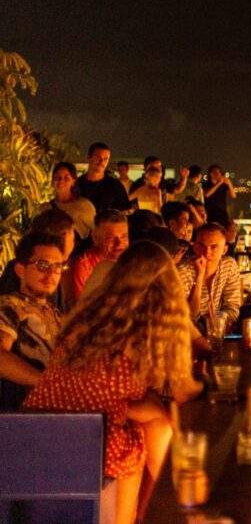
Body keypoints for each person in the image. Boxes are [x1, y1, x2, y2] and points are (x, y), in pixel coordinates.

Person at [23, 241, 202, 524]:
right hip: (92, 441)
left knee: (148, 417)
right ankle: (178, 509)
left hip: (34, 434)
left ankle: (173, 509)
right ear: (168, 282)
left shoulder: (89, 315)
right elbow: (183, 392)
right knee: (146, 429)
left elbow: (97, 389)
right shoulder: (154, 322)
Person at [0, 233, 67, 411]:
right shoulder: (10, 306)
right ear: (20, 269)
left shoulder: (57, 314)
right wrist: (48, 383)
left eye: (58, 266)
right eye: (42, 265)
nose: (51, 273)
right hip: (28, 415)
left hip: (64, 410)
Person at [178, 222, 242, 327]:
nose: (207, 252)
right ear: (195, 247)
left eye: (214, 247)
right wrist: (199, 276)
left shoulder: (228, 266)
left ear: (224, 250)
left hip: (220, 327)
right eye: (202, 246)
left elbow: (233, 308)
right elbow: (189, 317)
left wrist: (216, 322)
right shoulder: (183, 271)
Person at [63, 209, 130, 307]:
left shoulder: (130, 261)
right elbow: (81, 310)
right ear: (95, 238)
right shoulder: (83, 267)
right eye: (111, 238)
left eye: (124, 237)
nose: (119, 243)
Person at [39, 161, 96, 244]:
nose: (61, 181)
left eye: (66, 178)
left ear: (73, 181)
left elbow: (96, 232)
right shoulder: (45, 208)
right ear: (52, 181)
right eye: (57, 177)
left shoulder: (84, 206)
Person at [73, 142, 131, 213]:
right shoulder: (77, 184)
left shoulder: (115, 186)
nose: (102, 161)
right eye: (98, 157)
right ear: (88, 158)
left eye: (106, 158)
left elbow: (124, 213)